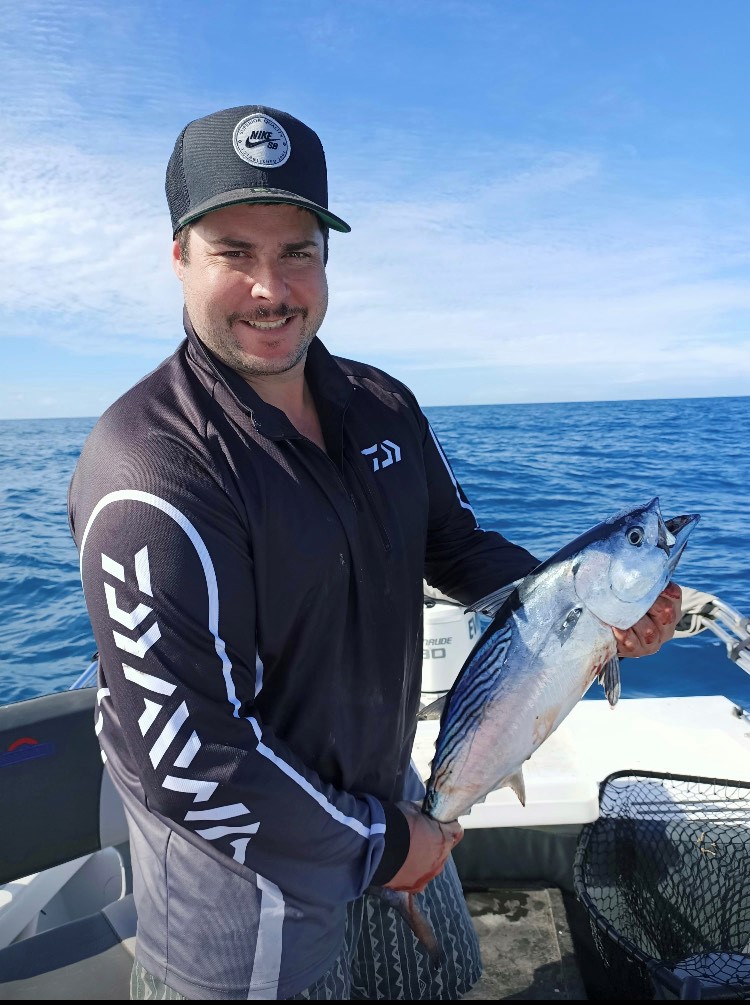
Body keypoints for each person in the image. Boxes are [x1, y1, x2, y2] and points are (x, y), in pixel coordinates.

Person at [68, 104, 682, 1001]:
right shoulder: (150, 469)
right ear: (180, 258)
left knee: (438, 982)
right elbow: (192, 758)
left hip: (390, 797)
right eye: (234, 252)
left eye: (298, 251)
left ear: (326, 257)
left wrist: (587, 612)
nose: (270, 288)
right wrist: (383, 845)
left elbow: (456, 545)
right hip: (247, 888)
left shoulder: (380, 403)